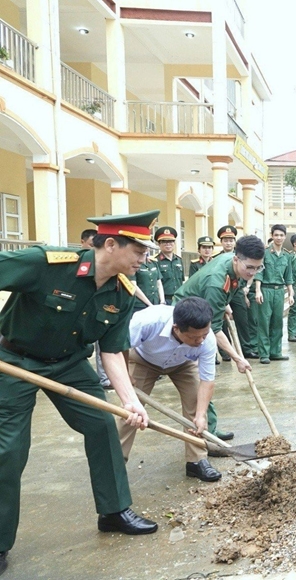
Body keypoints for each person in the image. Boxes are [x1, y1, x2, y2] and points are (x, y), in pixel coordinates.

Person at [0, 210, 163, 576]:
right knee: (8, 450)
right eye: (139, 250)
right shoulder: (46, 263)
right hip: (14, 361)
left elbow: (111, 351)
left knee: (103, 427)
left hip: (70, 364)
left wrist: (130, 401)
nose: (144, 258)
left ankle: (114, 510)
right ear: (110, 244)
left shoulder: (121, 292)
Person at [115, 297, 222, 482]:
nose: (200, 340)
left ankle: (196, 461)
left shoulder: (207, 339)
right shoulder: (148, 321)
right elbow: (120, 345)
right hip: (144, 360)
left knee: (195, 405)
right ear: (176, 329)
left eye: (204, 335)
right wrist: (124, 373)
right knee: (130, 411)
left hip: (183, 363)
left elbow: (207, 381)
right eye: (194, 337)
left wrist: (201, 414)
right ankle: (115, 463)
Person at [173, 235, 265, 442]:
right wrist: (237, 358)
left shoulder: (232, 264)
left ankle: (210, 427)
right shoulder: (216, 282)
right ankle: (207, 433)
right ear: (236, 259)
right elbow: (212, 330)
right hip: (187, 319)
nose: (252, 273)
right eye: (249, 267)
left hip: (202, 304)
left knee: (201, 376)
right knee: (200, 376)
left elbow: (226, 291)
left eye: (257, 268)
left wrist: (224, 304)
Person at [214, 225, 258, 360]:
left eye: (231, 240)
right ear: (221, 242)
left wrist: (245, 291)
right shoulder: (217, 258)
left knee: (243, 320)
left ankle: (247, 349)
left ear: (235, 242)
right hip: (222, 292)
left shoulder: (242, 257)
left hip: (237, 291)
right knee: (222, 322)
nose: (228, 243)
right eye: (225, 240)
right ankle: (226, 352)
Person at [254, 224, 293, 364]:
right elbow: (259, 272)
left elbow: (289, 276)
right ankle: (264, 353)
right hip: (266, 289)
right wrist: (258, 291)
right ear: (271, 235)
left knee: (277, 322)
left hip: (279, 291)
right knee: (264, 322)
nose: (279, 237)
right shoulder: (264, 253)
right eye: (276, 235)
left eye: (281, 235)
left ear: (285, 236)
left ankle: (275, 352)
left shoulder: (287, 256)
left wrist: (291, 293)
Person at [154, 226, 185, 302]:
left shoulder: (179, 260)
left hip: (178, 298)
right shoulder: (155, 261)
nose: (168, 244)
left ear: (174, 243)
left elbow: (182, 281)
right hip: (163, 299)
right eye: (164, 242)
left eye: (171, 241)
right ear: (159, 244)